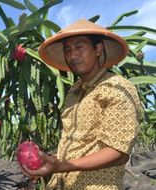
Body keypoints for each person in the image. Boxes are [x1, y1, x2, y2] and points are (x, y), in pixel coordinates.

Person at [21, 19, 142, 190]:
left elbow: (118, 153)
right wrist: (50, 160)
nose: (72, 55)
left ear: (98, 49)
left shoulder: (116, 87)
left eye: (79, 47)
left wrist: (62, 166)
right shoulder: (73, 92)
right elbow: (77, 144)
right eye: (67, 50)